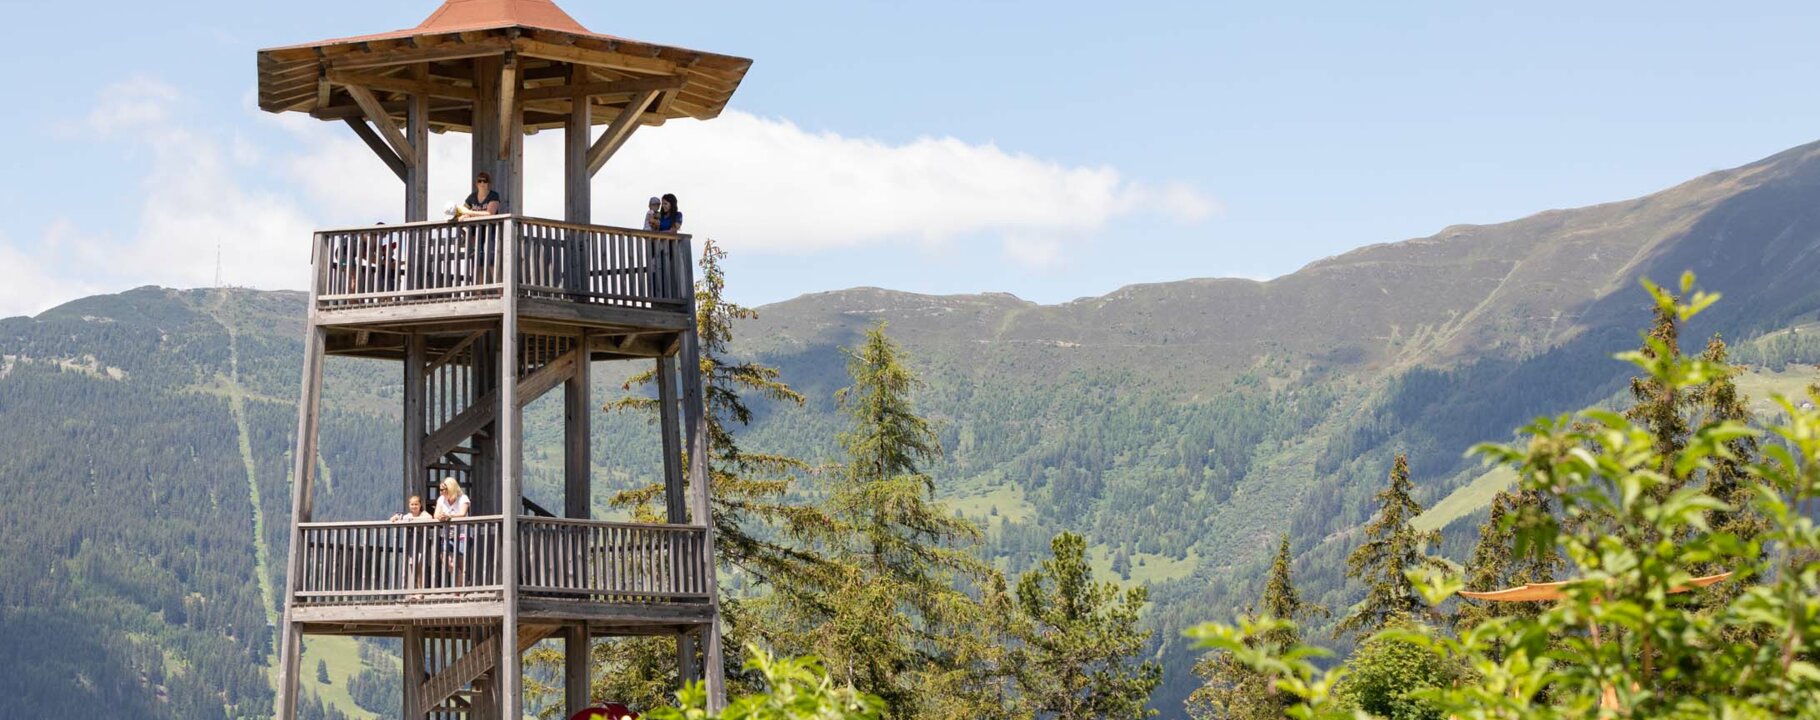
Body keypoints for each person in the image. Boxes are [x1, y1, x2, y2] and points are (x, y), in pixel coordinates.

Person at [389, 495, 434, 598]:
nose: (414, 506)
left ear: (420, 505)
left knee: (420, 565)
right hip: (411, 542)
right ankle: (413, 590)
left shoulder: (424, 514)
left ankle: (420, 591)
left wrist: (412, 520)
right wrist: (396, 517)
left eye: (416, 504)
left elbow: (429, 518)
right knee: (412, 565)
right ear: (409, 505)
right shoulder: (407, 515)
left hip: (421, 541)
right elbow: (396, 518)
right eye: (412, 504)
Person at [434, 477, 473, 587]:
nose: (441, 492)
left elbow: (462, 513)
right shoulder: (441, 499)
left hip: (462, 533)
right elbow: (436, 514)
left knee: (461, 561)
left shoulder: (463, 498)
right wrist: (441, 517)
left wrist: (449, 516)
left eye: (443, 490)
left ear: (451, 488)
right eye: (440, 490)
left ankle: (459, 589)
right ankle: (462, 582)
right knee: (445, 559)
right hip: (448, 534)